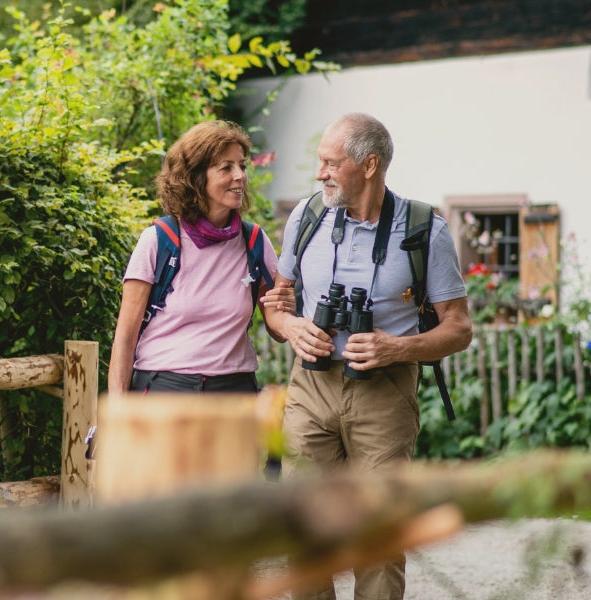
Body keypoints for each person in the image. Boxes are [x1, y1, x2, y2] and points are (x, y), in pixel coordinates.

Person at [263, 113, 473, 600]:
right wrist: (292, 327)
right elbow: (277, 303)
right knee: (305, 526)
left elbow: (459, 327)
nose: (320, 174)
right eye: (320, 162)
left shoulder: (424, 229)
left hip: (385, 391)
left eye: (330, 163)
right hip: (310, 386)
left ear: (369, 164)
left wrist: (396, 346)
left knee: (378, 535)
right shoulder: (307, 215)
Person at [108, 120, 292, 395]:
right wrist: (119, 412)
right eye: (226, 167)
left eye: (241, 165)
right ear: (196, 177)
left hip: (235, 391)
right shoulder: (159, 241)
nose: (240, 175)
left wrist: (290, 311)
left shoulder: (253, 241)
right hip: (164, 390)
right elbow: (125, 338)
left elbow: (277, 330)